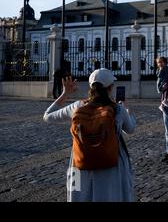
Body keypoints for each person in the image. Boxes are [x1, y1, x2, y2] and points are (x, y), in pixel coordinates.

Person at [43, 68, 136, 202]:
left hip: (79, 164)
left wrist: (65, 93)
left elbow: (47, 116)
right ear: (110, 88)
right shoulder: (118, 109)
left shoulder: (77, 107)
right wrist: (128, 111)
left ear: (91, 87)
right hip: (110, 164)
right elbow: (130, 129)